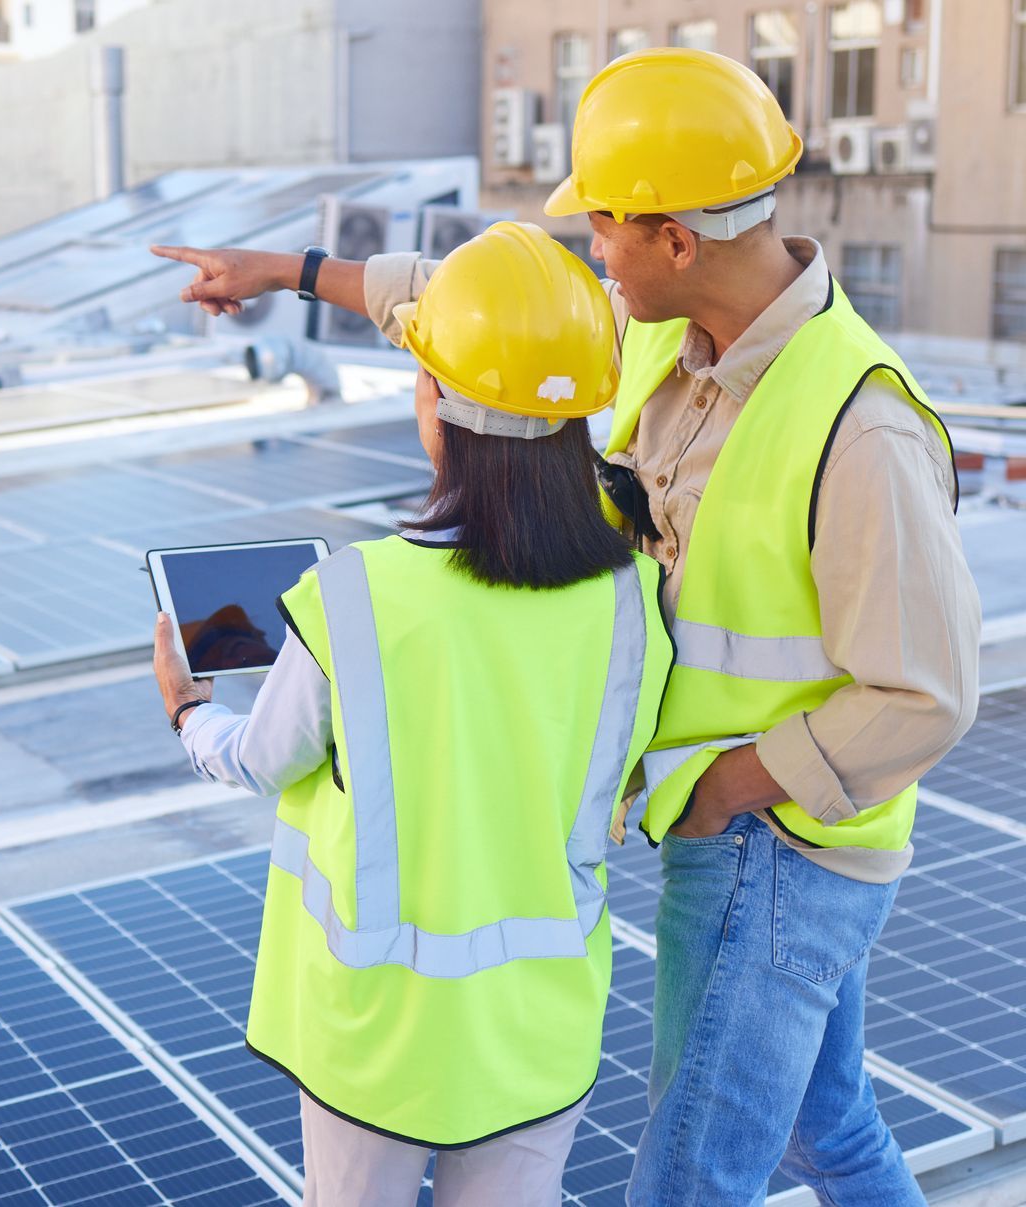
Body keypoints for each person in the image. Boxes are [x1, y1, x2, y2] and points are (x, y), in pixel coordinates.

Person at [155, 47, 981, 1206]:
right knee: (826, 1131)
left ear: (676, 239)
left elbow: (929, 693)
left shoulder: (861, 427)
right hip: (738, 824)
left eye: (603, 227)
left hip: (780, 844)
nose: (589, 252)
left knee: (686, 1179)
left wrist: (725, 787)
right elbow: (474, 310)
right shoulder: (656, 323)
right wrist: (290, 269)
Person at [152, 221, 673, 1206]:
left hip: (378, 1039)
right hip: (539, 1022)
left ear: (434, 402)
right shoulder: (635, 601)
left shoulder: (356, 595)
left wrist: (187, 708)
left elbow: (262, 761)